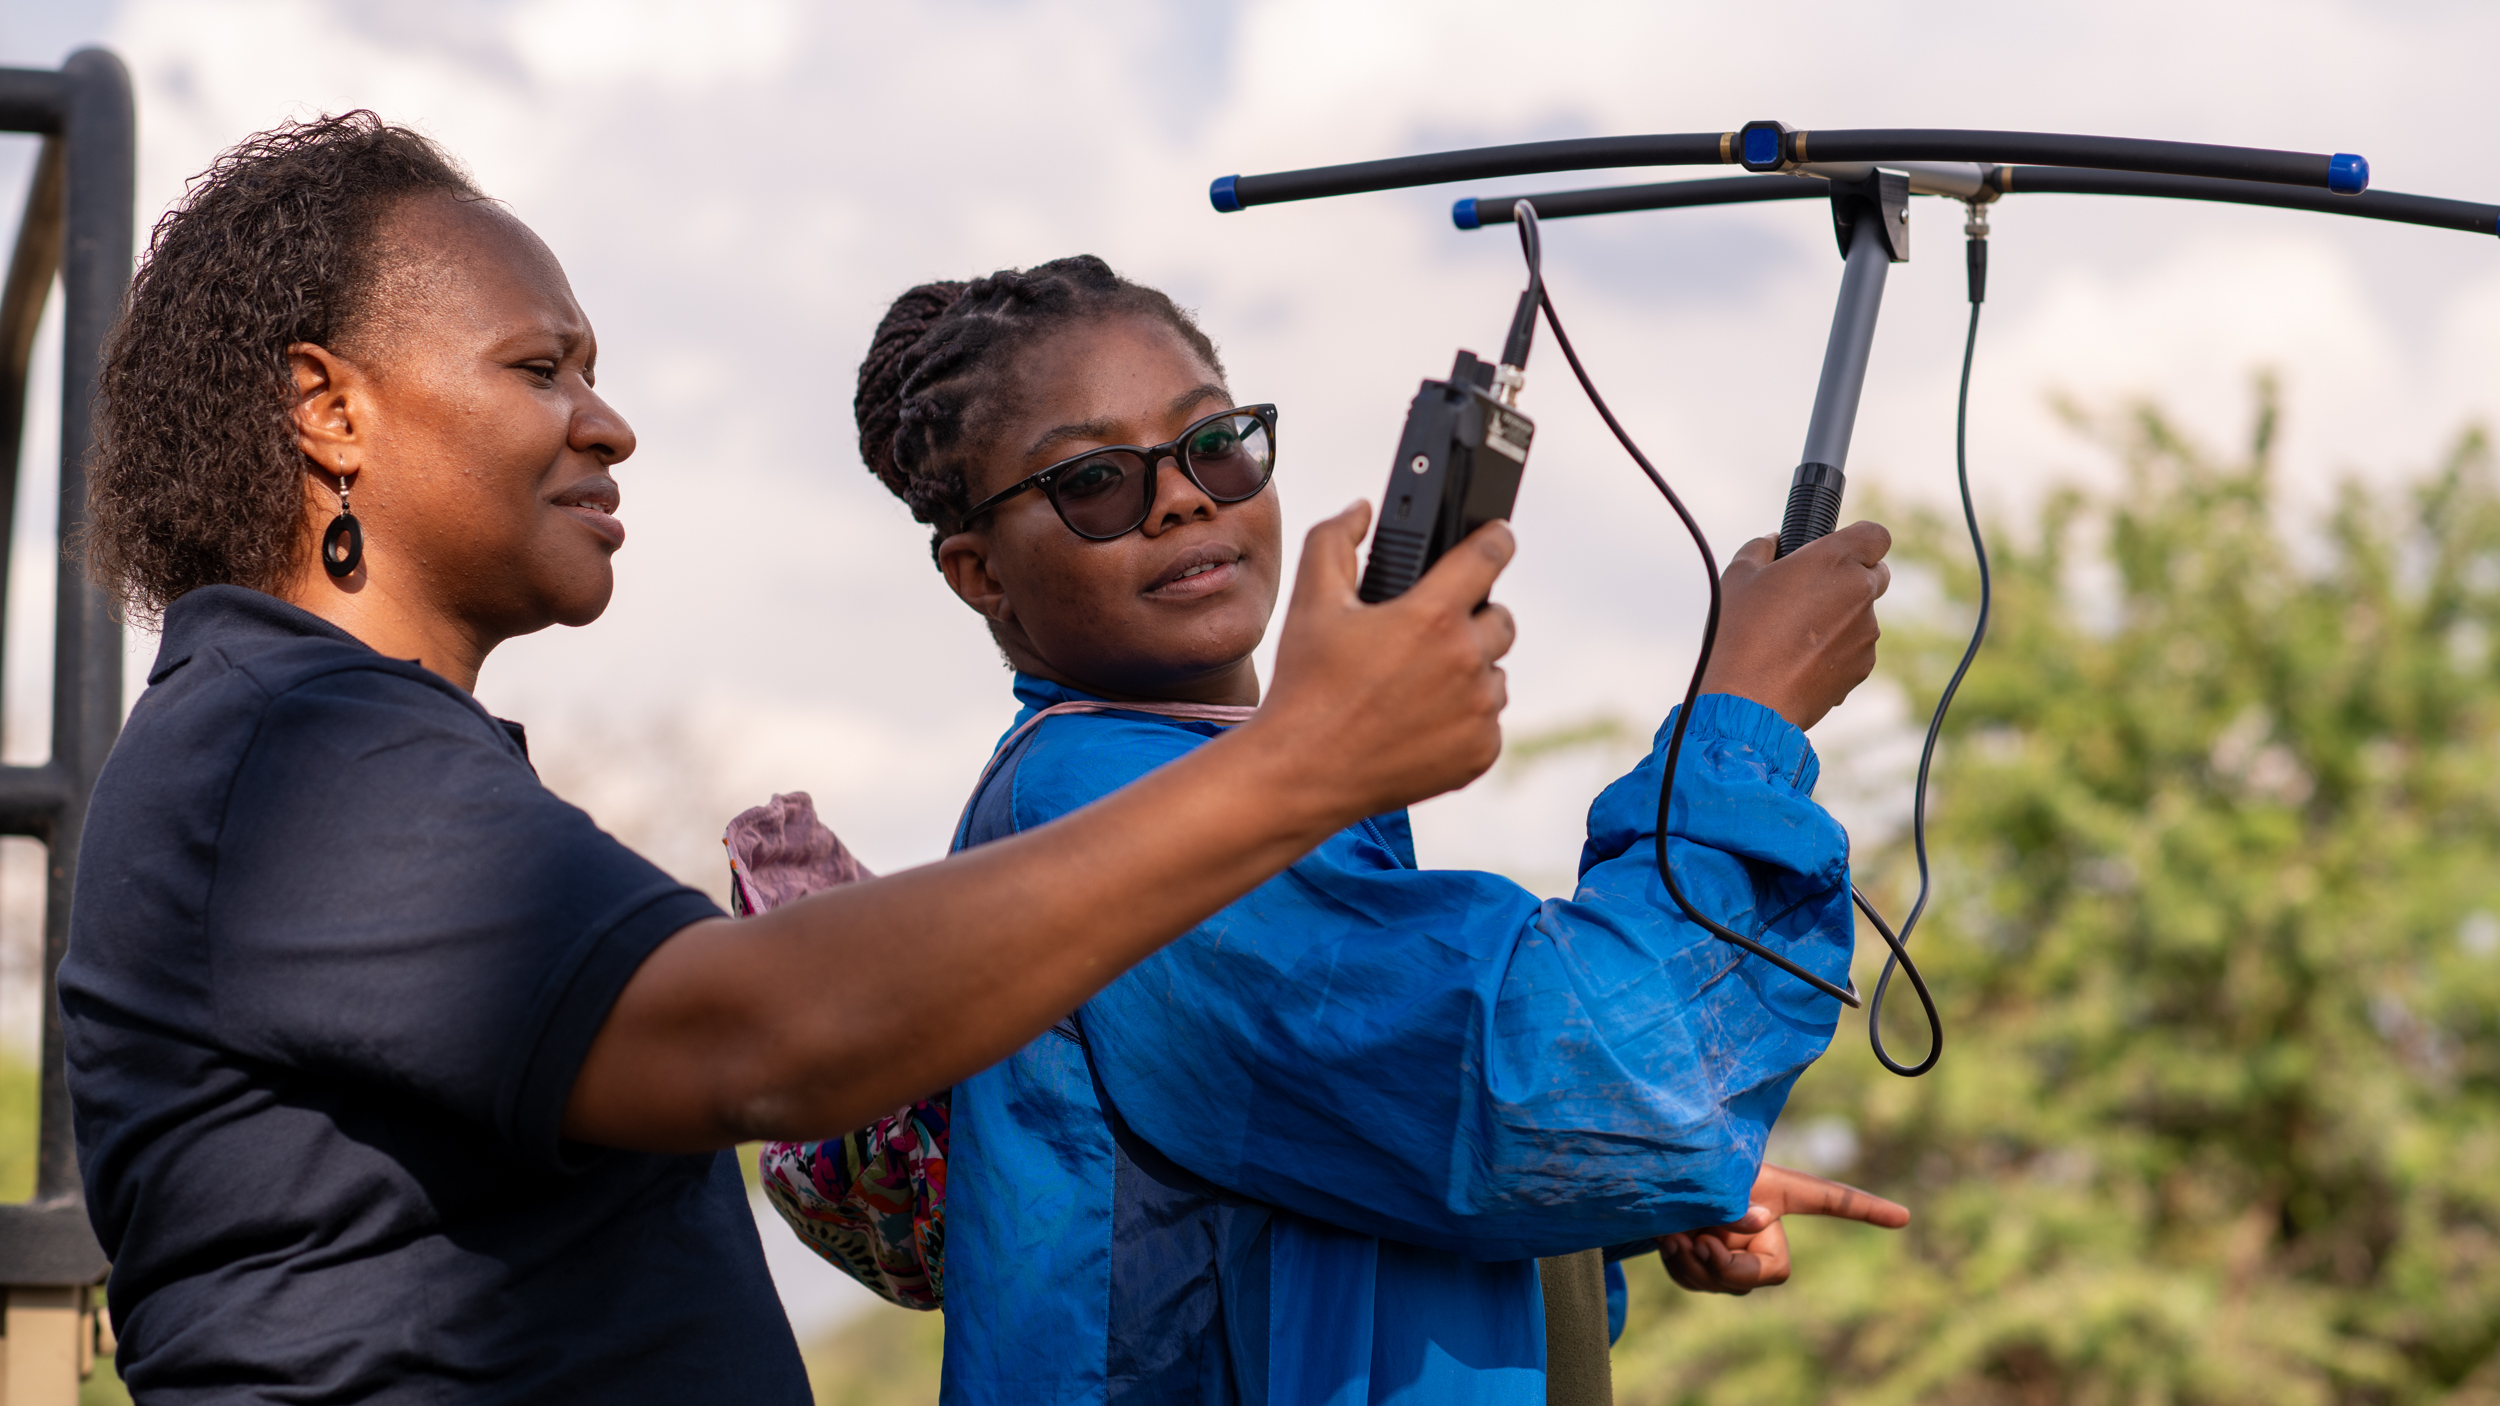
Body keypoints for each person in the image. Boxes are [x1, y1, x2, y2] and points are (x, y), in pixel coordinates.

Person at [58, 116, 1518, 1404]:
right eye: (540, 367)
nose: (607, 421)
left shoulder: (326, 752)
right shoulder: (291, 758)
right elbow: (759, 1043)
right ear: (331, 410)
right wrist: (1302, 765)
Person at [766, 256, 1907, 1405]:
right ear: (980, 573)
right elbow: (1549, 1081)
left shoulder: (1227, 790)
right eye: (1096, 480)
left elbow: (1347, 1155)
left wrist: (1624, 1203)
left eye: (1215, 444)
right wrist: (1744, 717)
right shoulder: (1108, 799)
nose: (1181, 499)